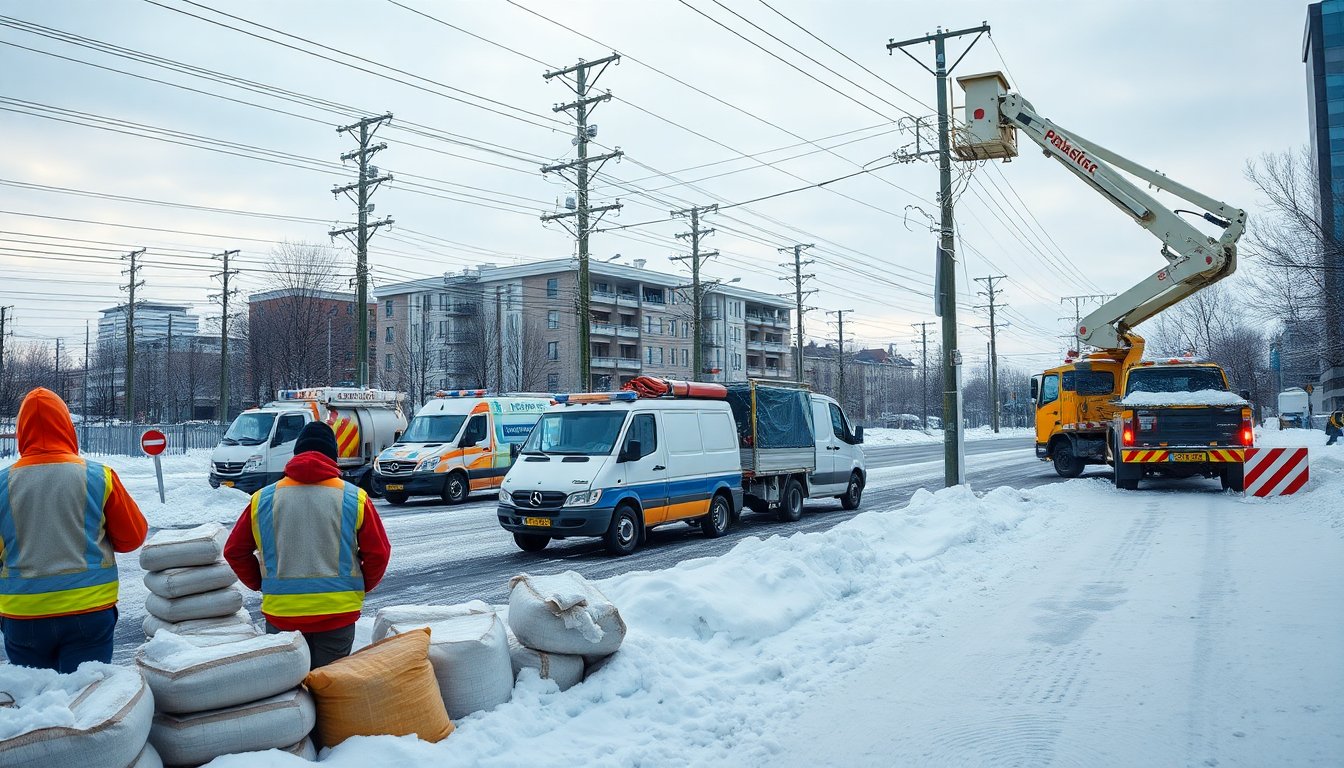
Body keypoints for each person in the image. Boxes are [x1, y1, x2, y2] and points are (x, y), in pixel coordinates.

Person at [0, 388, 147, 671]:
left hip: (23, 615)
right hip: (89, 613)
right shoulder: (99, 477)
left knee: (37, 706)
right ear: (67, 427)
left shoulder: (3, 485)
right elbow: (132, 538)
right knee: (87, 702)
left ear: (21, 431)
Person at [224, 421, 389, 669]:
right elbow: (379, 553)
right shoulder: (354, 497)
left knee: (291, 696)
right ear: (333, 456)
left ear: (295, 454)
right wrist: (358, 587)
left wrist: (262, 583)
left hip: (283, 617)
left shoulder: (263, 499)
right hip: (337, 616)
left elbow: (234, 551)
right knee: (331, 691)